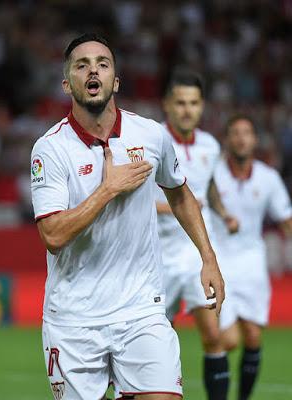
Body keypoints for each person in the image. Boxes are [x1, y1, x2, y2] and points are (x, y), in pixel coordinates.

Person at [30, 33, 225, 400]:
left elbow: (180, 192)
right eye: (81, 64)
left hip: (141, 309)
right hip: (74, 318)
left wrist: (208, 257)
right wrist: (107, 190)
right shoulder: (50, 150)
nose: (93, 70)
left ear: (115, 81)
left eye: (103, 64)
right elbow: (53, 236)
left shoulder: (150, 136)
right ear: (66, 83)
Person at [155, 70, 238, 400]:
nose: (187, 110)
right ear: (167, 105)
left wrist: (222, 211)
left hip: (196, 255)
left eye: (193, 103)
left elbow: (210, 188)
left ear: (202, 106)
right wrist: (178, 206)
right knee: (156, 343)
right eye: (180, 103)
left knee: (215, 338)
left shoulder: (211, 146)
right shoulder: (151, 141)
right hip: (156, 256)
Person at [212, 114, 292, 400]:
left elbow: (286, 218)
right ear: (227, 139)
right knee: (227, 340)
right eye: (235, 133)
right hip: (219, 264)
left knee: (254, 337)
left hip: (253, 264)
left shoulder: (268, 178)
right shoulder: (213, 174)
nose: (241, 138)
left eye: (246, 133)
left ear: (255, 140)